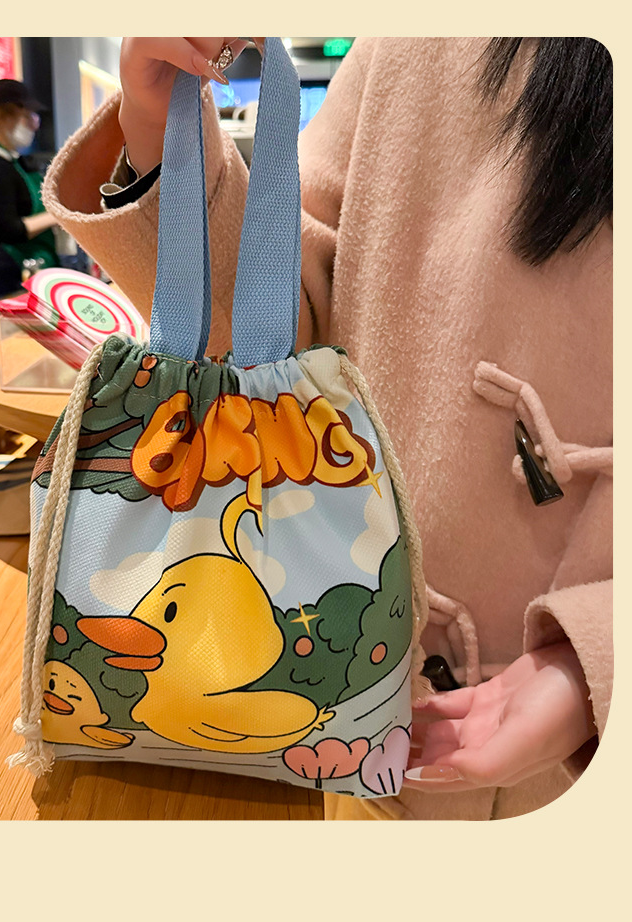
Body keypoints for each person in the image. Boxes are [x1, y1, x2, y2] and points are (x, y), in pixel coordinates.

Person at [39, 37, 612, 821]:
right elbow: (279, 320)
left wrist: (599, 657)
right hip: (345, 765)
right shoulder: (413, 42)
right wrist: (156, 124)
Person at [0, 78, 60, 295]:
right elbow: (9, 229)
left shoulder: (14, 161)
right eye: (27, 116)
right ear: (5, 117)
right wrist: (57, 216)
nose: (34, 124)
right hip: (16, 273)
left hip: (37, 266)